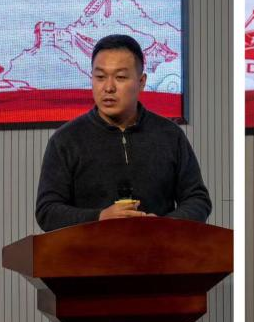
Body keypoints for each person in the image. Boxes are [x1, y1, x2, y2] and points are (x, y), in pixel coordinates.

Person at [35, 33, 211, 231]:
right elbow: (47, 211)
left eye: (120, 77)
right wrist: (99, 217)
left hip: (159, 248)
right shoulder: (66, 140)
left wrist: (164, 225)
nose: (108, 87)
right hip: (89, 250)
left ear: (141, 82)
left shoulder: (169, 135)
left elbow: (197, 199)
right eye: (100, 77)